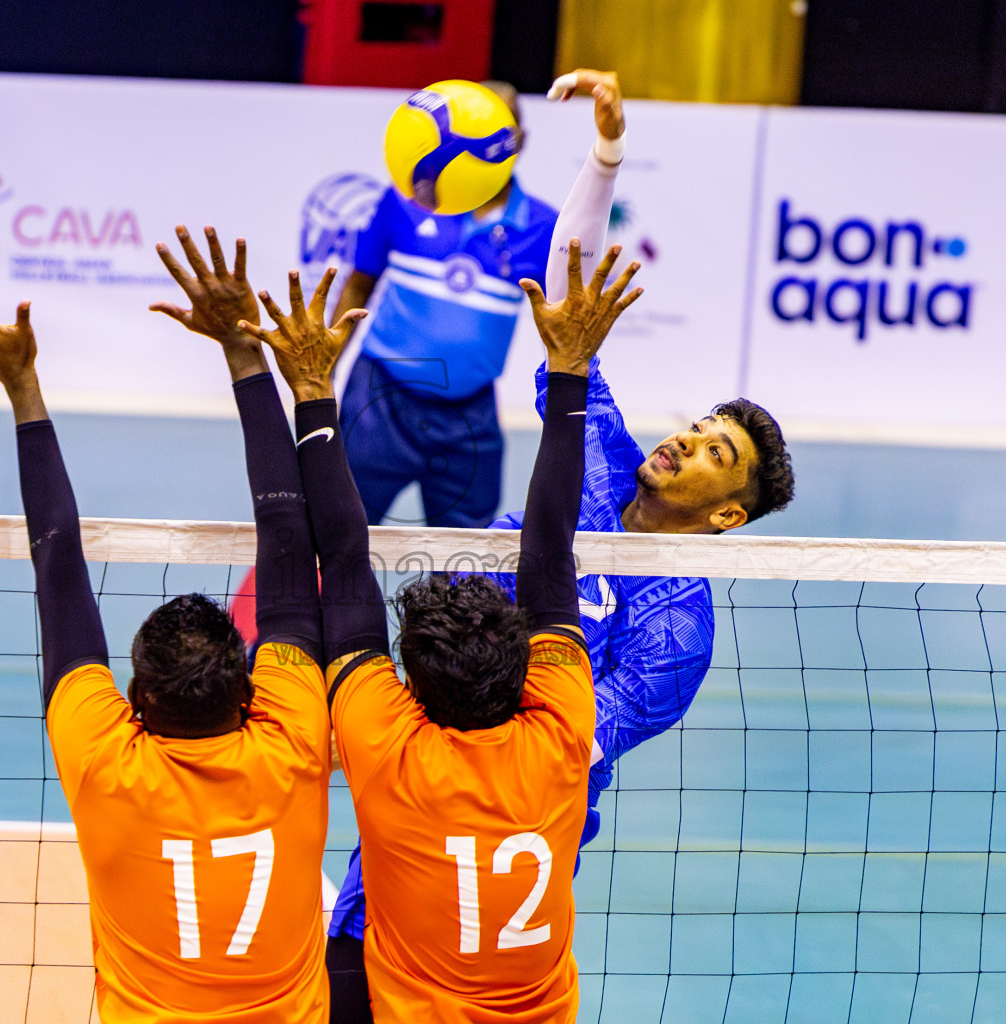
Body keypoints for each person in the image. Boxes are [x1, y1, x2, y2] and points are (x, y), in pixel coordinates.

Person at [323, 70, 798, 1009]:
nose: (685, 441)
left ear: (725, 514)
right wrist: (608, 154)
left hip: (511, 850)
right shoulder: (608, 455)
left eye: (714, 453)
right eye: (698, 425)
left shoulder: (677, 632)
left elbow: (572, 742)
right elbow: (568, 299)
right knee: (351, 966)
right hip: (419, 778)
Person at [0, 223, 360, 1022]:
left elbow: (57, 569)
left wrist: (22, 387)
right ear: (248, 689)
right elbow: (289, 541)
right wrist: (241, 352)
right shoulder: (292, 738)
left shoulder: (106, 763)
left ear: (137, 700)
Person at [242, 237, 642, 1023]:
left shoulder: (392, 747)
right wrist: (570, 369)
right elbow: (551, 555)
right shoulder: (565, 726)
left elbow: (345, 561)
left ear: (412, 690)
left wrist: (313, 392)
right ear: (526, 667)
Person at [330, 81, 559, 529]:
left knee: (466, 567)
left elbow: (565, 322)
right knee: (339, 537)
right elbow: (358, 285)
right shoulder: (403, 200)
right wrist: (320, 371)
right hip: (378, 400)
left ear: (520, 141)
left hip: (470, 416)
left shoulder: (543, 225)